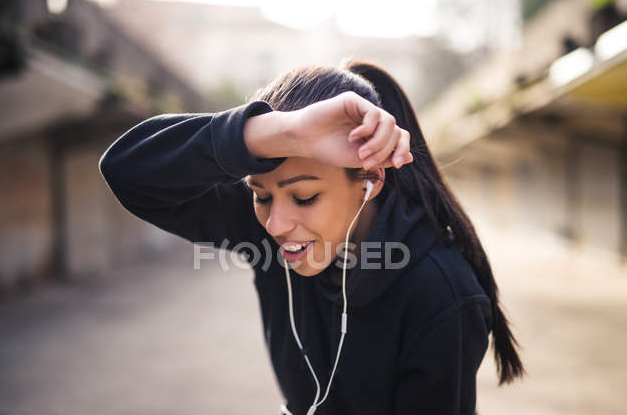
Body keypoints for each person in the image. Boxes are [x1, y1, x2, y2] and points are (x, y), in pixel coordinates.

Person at [98, 59, 524, 414]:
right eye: (260, 195)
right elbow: (126, 171)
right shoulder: (264, 229)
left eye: (304, 197)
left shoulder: (439, 293)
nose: (277, 225)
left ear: (370, 179)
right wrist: (279, 133)